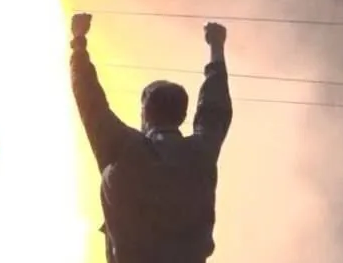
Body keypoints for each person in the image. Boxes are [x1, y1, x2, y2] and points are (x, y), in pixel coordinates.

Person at [69, 13, 233, 263]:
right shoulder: (200, 154)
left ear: (145, 112)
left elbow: (89, 100)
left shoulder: (122, 150)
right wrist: (217, 47)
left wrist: (79, 42)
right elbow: (214, 108)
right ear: (182, 115)